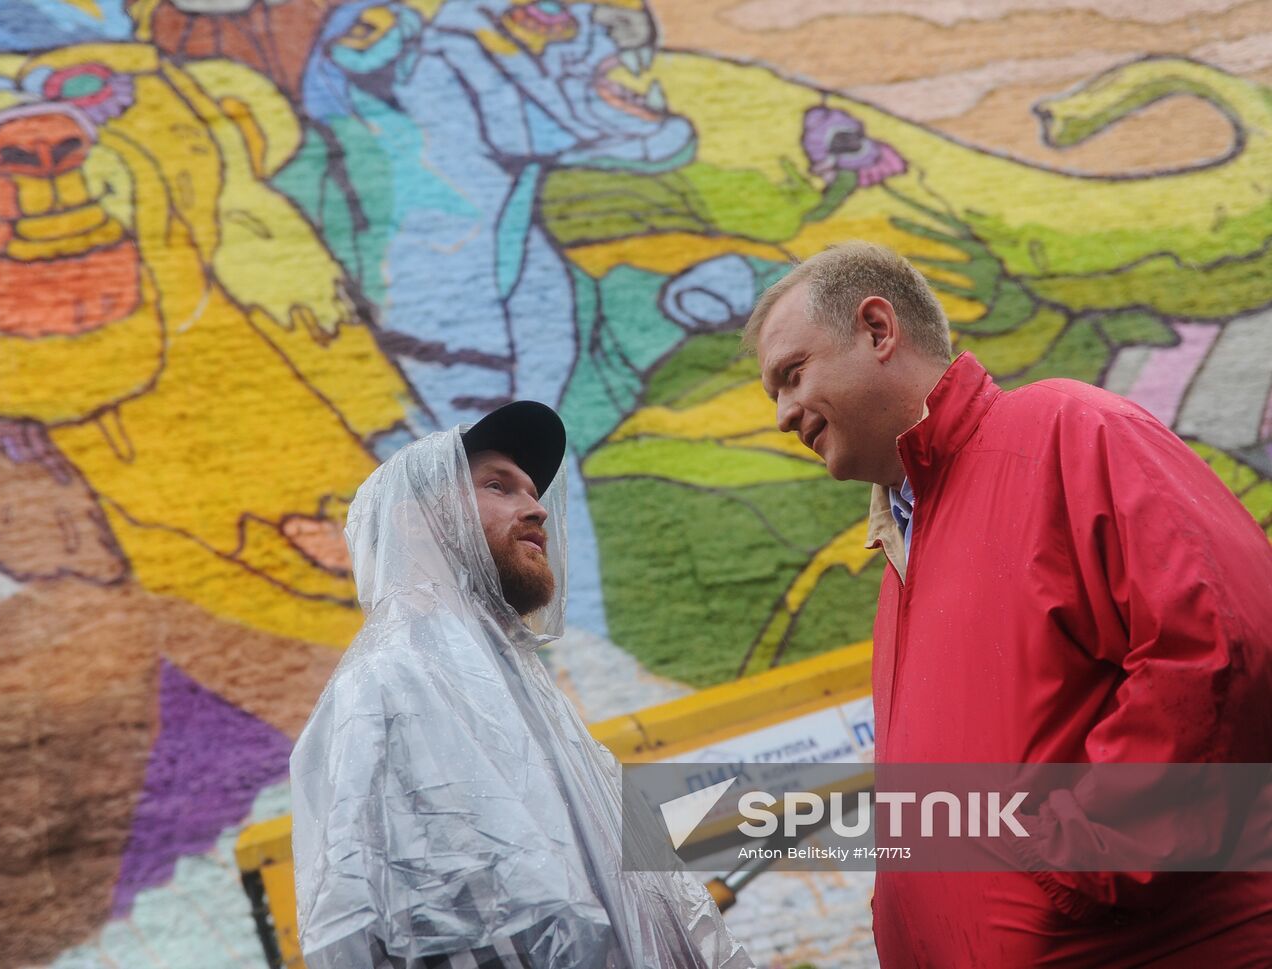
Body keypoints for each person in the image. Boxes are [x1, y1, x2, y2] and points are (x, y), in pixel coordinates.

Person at [743, 242, 1272, 966]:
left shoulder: (1066, 432)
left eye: (792, 374)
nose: (782, 413)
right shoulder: (903, 556)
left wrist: (1079, 862)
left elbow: (1222, 640)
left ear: (877, 329)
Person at [290, 401, 756, 969]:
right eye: (497, 486)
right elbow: (378, 918)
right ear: (414, 520)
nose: (536, 509)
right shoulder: (390, 682)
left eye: (534, 492)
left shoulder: (512, 682)